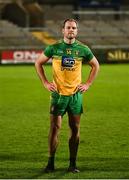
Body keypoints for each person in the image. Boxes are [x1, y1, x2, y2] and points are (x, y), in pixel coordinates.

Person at [35, 18, 99, 173]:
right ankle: (50, 163)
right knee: (55, 128)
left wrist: (88, 84)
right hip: (58, 95)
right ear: (62, 30)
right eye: (68, 27)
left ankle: (72, 164)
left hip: (75, 96)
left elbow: (96, 65)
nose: (71, 30)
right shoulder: (54, 48)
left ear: (76, 31)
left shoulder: (83, 49)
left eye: (74, 28)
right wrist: (44, 82)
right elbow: (38, 63)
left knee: (75, 129)